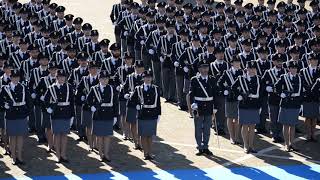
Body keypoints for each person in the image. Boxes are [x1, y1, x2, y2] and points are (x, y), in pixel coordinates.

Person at [1, 69, 31, 165]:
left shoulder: (23, 87)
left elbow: (29, 101)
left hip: (21, 114)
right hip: (11, 115)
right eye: (14, 77)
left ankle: (20, 157)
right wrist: (4, 105)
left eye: (17, 77)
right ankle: (14, 157)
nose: (15, 79)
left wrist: (27, 112)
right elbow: (0, 100)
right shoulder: (5, 88)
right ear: (10, 78)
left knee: (20, 137)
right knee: (13, 137)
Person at [44, 69, 75, 163]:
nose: (61, 79)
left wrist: (72, 115)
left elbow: (72, 102)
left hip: (66, 113)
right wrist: (48, 108)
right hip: (56, 114)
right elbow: (45, 100)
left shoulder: (69, 87)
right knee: (57, 135)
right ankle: (58, 155)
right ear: (56, 77)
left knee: (65, 135)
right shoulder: (51, 88)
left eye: (63, 77)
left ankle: (63, 154)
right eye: (59, 77)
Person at [87, 71, 118, 162]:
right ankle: (101, 154)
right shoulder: (94, 88)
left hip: (109, 114)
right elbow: (88, 100)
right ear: (99, 79)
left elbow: (115, 103)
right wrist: (91, 106)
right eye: (102, 78)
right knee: (99, 136)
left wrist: (116, 116)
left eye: (106, 78)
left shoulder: (112, 89)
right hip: (98, 115)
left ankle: (106, 154)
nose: (104, 80)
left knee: (107, 136)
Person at [231, 61, 262, 153]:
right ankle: (245, 145)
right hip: (244, 105)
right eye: (250, 68)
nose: (252, 70)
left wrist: (260, 105)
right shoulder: (241, 78)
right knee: (244, 126)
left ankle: (251, 145)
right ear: (246, 69)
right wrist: (238, 95)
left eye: (253, 68)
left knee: (252, 126)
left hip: (254, 105)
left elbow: (262, 93)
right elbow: (233, 88)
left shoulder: (259, 79)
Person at [131, 70, 161, 160]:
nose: (148, 79)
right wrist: (136, 105)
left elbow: (158, 103)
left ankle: (150, 153)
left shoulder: (156, 88)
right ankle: (145, 153)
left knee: (150, 135)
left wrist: (159, 114)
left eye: (149, 77)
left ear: (152, 78)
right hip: (142, 115)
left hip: (152, 114)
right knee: (143, 135)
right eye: (146, 77)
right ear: (143, 78)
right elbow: (132, 100)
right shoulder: (138, 88)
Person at [189, 59, 216, 156]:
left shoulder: (212, 79)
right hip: (198, 106)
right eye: (203, 67)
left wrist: (215, 107)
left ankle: (205, 146)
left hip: (209, 106)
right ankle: (199, 147)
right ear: (199, 69)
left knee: (207, 128)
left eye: (206, 67)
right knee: (198, 127)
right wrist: (193, 104)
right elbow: (191, 94)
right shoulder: (195, 80)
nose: (205, 69)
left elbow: (215, 94)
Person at [275, 60, 303, 152]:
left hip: (295, 104)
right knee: (286, 125)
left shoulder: (299, 78)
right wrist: (281, 94)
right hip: (286, 104)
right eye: (292, 68)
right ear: (289, 69)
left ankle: (292, 143)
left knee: (293, 125)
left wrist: (300, 103)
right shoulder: (284, 77)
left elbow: (302, 91)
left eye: (295, 68)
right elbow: (276, 87)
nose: (294, 70)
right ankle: (287, 144)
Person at [218, 56, 243, 145]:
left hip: (238, 97)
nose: (238, 64)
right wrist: (224, 90)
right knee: (229, 117)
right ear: (232, 63)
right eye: (236, 62)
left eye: (239, 62)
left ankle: (237, 136)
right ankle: (231, 137)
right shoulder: (226, 73)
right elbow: (219, 83)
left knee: (237, 118)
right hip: (229, 97)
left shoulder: (241, 72)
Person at [76, 61, 100, 151]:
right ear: (88, 69)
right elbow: (78, 90)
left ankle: (97, 144)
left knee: (97, 126)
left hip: (98, 106)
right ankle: (90, 144)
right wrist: (81, 95)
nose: (94, 70)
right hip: (87, 105)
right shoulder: (84, 79)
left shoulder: (100, 78)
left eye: (95, 68)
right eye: (91, 68)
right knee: (88, 126)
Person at [35, 61, 58, 152]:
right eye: (52, 69)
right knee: (48, 126)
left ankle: (56, 144)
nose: (53, 71)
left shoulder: (59, 79)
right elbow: (37, 90)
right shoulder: (43, 79)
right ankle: (50, 144)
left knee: (56, 126)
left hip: (57, 106)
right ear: (49, 70)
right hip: (47, 106)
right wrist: (41, 96)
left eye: (55, 69)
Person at [122, 60, 144, 149]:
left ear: (143, 68)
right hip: (131, 103)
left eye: (140, 68)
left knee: (142, 124)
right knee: (133, 124)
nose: (138, 69)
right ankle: (136, 142)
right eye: (137, 67)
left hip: (142, 103)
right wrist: (126, 94)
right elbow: (125, 88)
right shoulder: (129, 77)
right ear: (134, 68)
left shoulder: (146, 77)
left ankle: (142, 143)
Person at [300, 54, 319, 142]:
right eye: (313, 60)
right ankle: (308, 134)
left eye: (316, 60)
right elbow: (302, 82)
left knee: (314, 117)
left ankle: (313, 134)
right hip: (306, 96)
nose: (315, 61)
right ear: (309, 61)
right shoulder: (303, 71)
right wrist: (308, 90)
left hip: (316, 96)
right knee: (307, 117)